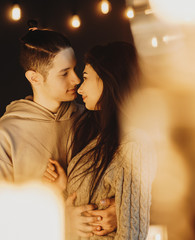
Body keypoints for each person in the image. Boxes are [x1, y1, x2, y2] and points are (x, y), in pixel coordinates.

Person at [0, 24, 117, 236]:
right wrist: (60, 220)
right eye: (64, 73)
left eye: (75, 68)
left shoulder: (91, 119)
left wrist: (117, 210)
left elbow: (129, 182)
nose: (76, 79)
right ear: (34, 78)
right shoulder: (5, 134)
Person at [44, 41, 157, 239]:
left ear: (107, 80)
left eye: (86, 78)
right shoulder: (96, 135)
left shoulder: (133, 145)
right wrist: (63, 189)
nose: (79, 88)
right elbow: (85, 207)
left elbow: (132, 233)